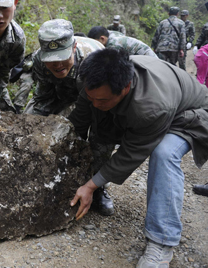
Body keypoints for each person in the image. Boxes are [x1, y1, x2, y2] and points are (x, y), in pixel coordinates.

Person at [68, 49, 208, 268]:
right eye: (91, 97)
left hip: (191, 114)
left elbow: (131, 153)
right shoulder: (96, 81)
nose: (95, 103)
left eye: (102, 100)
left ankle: (162, 241)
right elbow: (81, 116)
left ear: (125, 88)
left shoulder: (151, 107)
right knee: (101, 119)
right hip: (163, 105)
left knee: (163, 153)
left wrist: (90, 185)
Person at [23, 19, 115, 216]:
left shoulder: (95, 58)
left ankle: (98, 187)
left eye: (62, 56)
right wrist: (35, 126)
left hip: (95, 94)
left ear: (73, 47)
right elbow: (44, 96)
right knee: (28, 121)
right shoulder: (40, 60)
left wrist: (78, 127)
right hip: (62, 91)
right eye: (51, 58)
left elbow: (102, 103)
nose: (56, 64)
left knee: (101, 133)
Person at [87, 26, 157, 57]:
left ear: (102, 39)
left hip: (147, 59)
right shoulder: (109, 34)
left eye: (96, 43)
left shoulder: (114, 45)